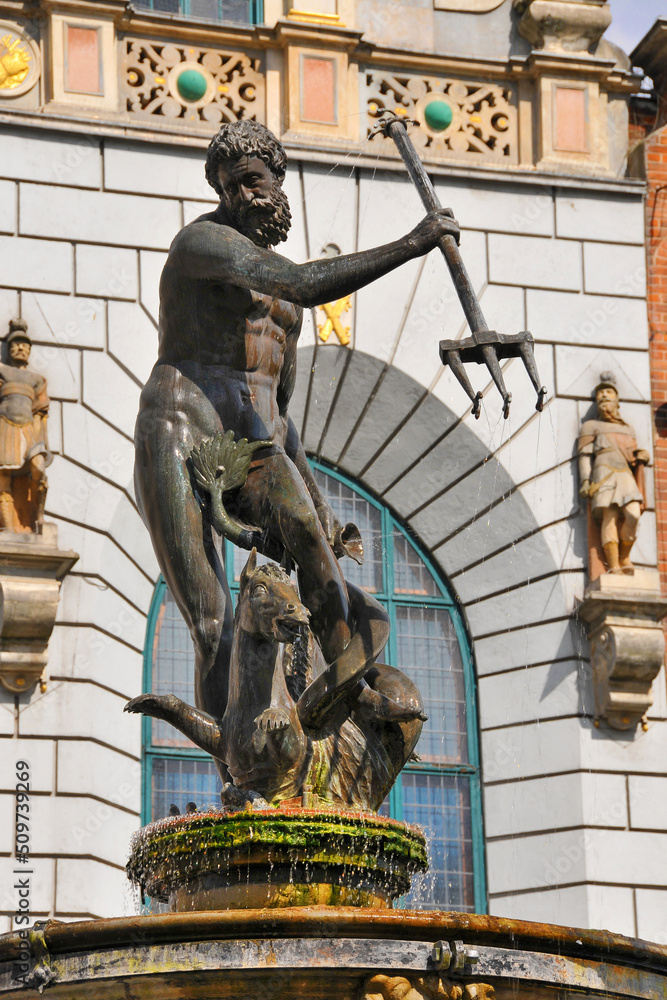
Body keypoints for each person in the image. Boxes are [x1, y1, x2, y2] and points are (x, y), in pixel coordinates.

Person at [134, 120, 459, 728]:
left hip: (251, 444)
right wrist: (414, 244)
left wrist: (319, 500)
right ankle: (237, 773)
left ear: (277, 180)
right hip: (179, 431)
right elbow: (306, 282)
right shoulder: (202, 245)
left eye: (253, 180)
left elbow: (278, 418)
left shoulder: (284, 307)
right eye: (230, 187)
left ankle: (346, 685)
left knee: (310, 536)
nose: (242, 196)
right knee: (213, 624)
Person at [578, 374, 649, 574]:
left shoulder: (627, 428)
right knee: (609, 516)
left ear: (616, 399)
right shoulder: (590, 426)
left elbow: (632, 456)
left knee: (633, 513)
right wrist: (585, 480)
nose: (604, 396)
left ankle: (625, 555)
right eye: (601, 393)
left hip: (624, 474)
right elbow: (585, 455)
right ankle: (614, 566)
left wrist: (641, 457)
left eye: (608, 392)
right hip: (603, 473)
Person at [0, 319, 50, 533]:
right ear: (8, 348)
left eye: (24, 345)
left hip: (28, 429)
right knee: (3, 476)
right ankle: (8, 527)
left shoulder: (37, 379)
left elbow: (40, 410)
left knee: (38, 466)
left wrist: (41, 440)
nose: (20, 348)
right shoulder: (2, 372)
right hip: (4, 427)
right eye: (15, 344)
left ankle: (37, 516)